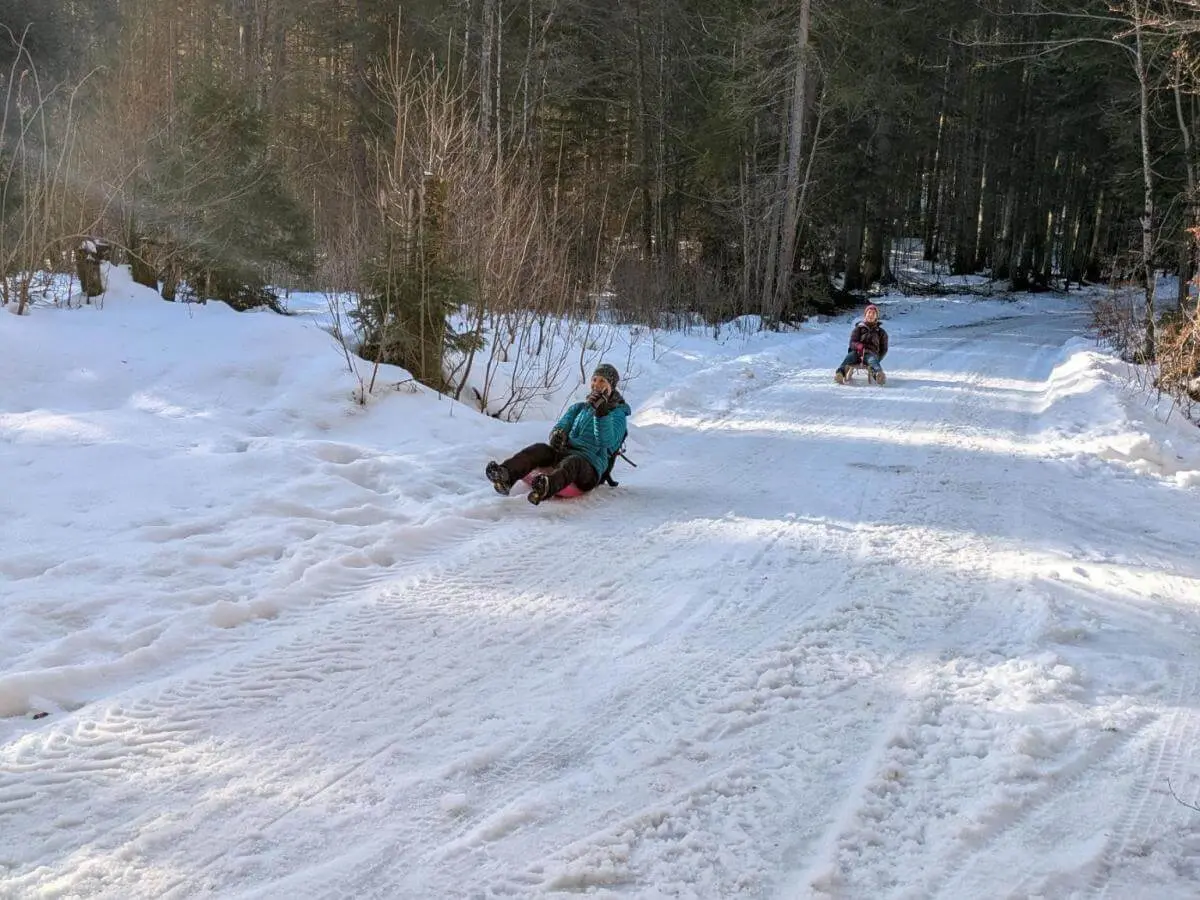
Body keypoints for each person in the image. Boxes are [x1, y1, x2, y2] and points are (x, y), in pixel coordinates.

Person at [486, 363, 631, 505]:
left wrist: (601, 414)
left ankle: (545, 487)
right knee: (539, 449)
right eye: (594, 379)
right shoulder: (579, 408)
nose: (596, 384)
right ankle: (505, 475)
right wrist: (557, 435)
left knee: (573, 462)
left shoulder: (618, 415)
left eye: (602, 381)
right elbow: (562, 425)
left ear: (611, 386)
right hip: (564, 454)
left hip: (589, 467)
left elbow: (607, 443)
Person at [835, 304, 889, 384]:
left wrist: (878, 358)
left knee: (873, 362)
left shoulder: (881, 332)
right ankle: (840, 374)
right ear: (865, 315)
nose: (871, 315)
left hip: (871, 353)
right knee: (849, 358)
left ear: (876, 317)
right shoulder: (859, 329)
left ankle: (879, 375)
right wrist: (857, 345)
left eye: (873, 313)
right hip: (856, 352)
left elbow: (884, 349)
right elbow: (852, 342)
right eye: (869, 312)